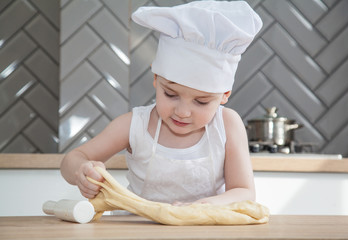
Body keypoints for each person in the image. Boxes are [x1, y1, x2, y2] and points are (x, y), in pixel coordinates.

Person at [61, 0, 263, 206]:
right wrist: (81, 171)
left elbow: (244, 191)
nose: (183, 112)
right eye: (170, 94)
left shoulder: (227, 125)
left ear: (224, 95)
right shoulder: (135, 125)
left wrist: (205, 206)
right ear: (156, 79)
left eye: (201, 102)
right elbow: (74, 158)